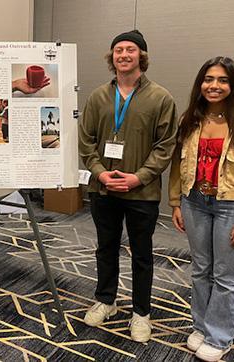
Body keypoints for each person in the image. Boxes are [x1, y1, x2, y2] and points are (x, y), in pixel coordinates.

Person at [78, 29, 178, 343]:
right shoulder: (97, 97)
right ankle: (106, 300)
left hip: (141, 192)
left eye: (130, 50)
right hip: (104, 189)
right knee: (105, 248)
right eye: (118, 50)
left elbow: (166, 145)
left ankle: (141, 313)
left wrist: (139, 177)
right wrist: (99, 173)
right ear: (112, 57)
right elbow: (86, 142)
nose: (123, 55)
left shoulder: (160, 97)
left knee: (142, 253)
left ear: (141, 57)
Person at [168, 57, 234, 361]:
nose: (214, 85)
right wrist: (175, 202)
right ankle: (201, 325)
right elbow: (177, 164)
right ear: (201, 83)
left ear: (233, 85)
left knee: (225, 274)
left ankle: (219, 335)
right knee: (201, 269)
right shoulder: (191, 119)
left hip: (230, 206)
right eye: (209, 79)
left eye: (223, 80)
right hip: (194, 202)